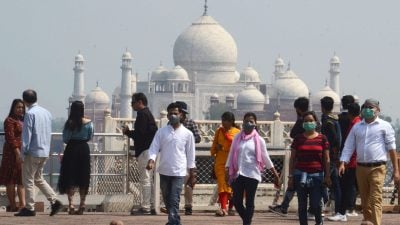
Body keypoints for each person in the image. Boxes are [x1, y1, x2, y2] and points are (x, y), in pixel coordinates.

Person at [339, 99, 400, 225]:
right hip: (361, 167)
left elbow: (392, 148)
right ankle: (368, 221)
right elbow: (349, 146)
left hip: (377, 167)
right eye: (365, 107)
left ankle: (376, 223)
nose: (367, 109)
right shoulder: (357, 127)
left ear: (378, 110)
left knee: (375, 198)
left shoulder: (384, 126)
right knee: (365, 200)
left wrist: (396, 170)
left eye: (370, 107)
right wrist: (343, 162)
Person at [146, 102, 196, 225]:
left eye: (175, 113)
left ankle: (173, 222)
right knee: (168, 199)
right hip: (164, 170)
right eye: (171, 113)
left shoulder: (187, 134)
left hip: (179, 171)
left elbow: (191, 155)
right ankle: (174, 221)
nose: (173, 115)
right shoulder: (161, 132)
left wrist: (192, 173)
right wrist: (151, 160)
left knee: (174, 199)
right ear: (167, 116)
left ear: (181, 115)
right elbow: (154, 148)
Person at [226, 112, 280, 225]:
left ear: (255, 124)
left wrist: (275, 174)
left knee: (249, 202)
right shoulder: (237, 138)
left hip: (252, 174)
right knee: (237, 202)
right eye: (246, 121)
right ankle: (247, 220)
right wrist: (227, 169)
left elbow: (266, 158)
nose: (248, 123)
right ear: (243, 122)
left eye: (251, 121)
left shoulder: (259, 140)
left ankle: (246, 223)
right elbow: (231, 154)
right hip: (238, 173)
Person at [15, 89, 62, 217]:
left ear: (24, 101)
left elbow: (27, 135)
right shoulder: (46, 113)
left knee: (28, 180)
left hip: (33, 152)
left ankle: (30, 208)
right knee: (38, 178)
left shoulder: (30, 114)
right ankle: (54, 200)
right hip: (44, 150)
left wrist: (22, 154)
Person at [288, 111, 331, 225]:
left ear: (316, 122)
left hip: (317, 175)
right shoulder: (298, 139)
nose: (308, 123)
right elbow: (292, 159)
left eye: (311, 121)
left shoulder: (322, 138)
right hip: (300, 174)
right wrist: (291, 177)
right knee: (302, 205)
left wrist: (327, 176)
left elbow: (326, 159)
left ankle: (318, 222)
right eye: (306, 121)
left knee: (316, 204)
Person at [269, 96, 311, 216]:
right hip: (313, 158)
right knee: (310, 185)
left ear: (297, 109)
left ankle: (285, 207)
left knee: (294, 183)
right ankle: (312, 209)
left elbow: (293, 134)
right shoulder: (315, 120)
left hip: (301, 157)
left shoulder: (302, 119)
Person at [123, 92, 158, 215]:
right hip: (149, 150)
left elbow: (140, 134)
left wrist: (128, 132)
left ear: (139, 102)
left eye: (133, 102)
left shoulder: (142, 115)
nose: (131, 105)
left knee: (146, 180)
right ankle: (153, 205)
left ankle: (146, 207)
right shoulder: (147, 114)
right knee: (149, 180)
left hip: (145, 151)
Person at [57, 101, 93, 215]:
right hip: (83, 149)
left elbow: (65, 138)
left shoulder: (70, 123)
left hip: (72, 149)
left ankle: (71, 204)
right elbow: (90, 136)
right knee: (83, 176)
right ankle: (82, 203)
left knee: (70, 176)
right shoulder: (89, 123)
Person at [328, 102, 360, 222]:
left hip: (351, 161)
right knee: (348, 187)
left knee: (345, 187)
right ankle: (343, 211)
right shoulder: (356, 123)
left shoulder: (355, 124)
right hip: (351, 160)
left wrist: (343, 161)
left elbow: (350, 145)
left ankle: (342, 212)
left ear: (349, 113)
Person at [210, 111, 240, 216]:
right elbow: (213, 147)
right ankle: (223, 208)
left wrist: (227, 136)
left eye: (226, 120)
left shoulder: (237, 132)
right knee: (222, 184)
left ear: (231, 121)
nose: (223, 123)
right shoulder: (219, 131)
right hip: (220, 162)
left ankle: (231, 207)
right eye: (222, 120)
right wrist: (216, 148)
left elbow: (238, 146)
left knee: (232, 185)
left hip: (232, 162)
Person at [0, 99, 26, 212]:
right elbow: (10, 138)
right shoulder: (9, 121)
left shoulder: (24, 120)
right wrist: (17, 153)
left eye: (22, 107)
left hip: (22, 151)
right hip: (12, 153)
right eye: (18, 107)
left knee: (21, 179)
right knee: (11, 179)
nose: (20, 109)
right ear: (13, 108)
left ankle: (22, 205)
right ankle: (13, 204)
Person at [176, 101, 201, 215]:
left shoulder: (190, 123)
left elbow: (198, 138)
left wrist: (185, 140)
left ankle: (188, 206)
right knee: (174, 183)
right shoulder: (170, 125)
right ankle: (173, 205)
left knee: (189, 184)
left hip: (188, 158)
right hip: (176, 158)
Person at [320, 96, 342, 218]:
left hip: (330, 157)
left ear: (322, 107)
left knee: (327, 182)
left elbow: (332, 139)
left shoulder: (328, 121)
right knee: (334, 184)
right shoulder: (335, 119)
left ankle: (322, 207)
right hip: (334, 156)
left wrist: (328, 151)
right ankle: (335, 209)